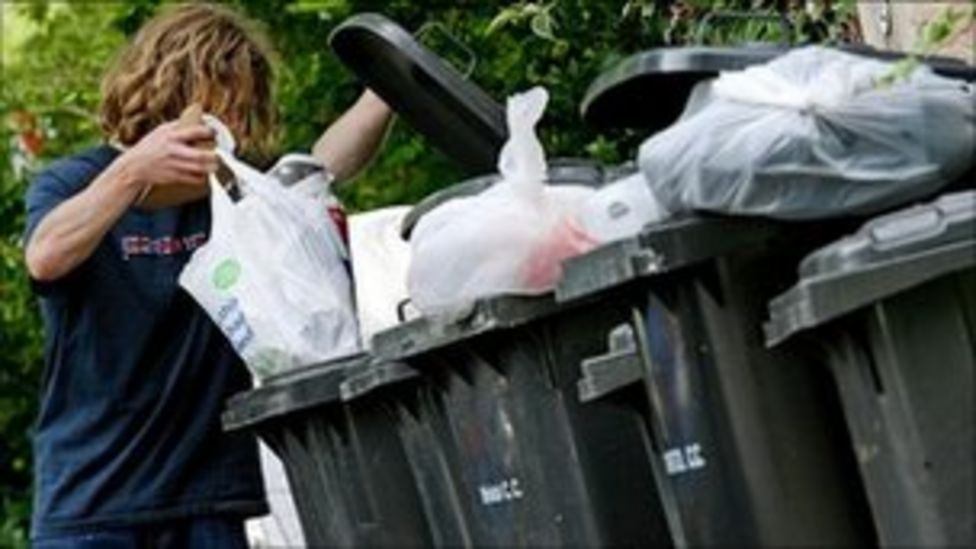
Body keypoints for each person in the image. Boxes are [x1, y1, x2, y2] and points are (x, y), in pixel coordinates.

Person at [22, 4, 392, 547]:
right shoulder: (75, 181)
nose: (236, 124)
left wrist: (389, 86)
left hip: (212, 502)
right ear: (170, 86)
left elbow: (319, 167)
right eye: (226, 100)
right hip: (93, 505)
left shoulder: (244, 196)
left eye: (246, 107)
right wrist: (132, 172)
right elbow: (46, 256)